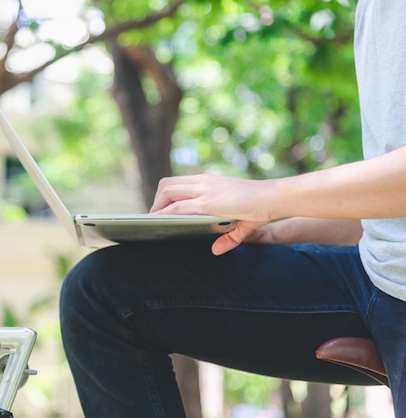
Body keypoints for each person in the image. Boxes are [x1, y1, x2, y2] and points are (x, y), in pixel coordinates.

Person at [59, 0, 406, 417]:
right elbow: (389, 207)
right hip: (378, 277)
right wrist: (274, 231)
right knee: (104, 291)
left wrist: (264, 195)